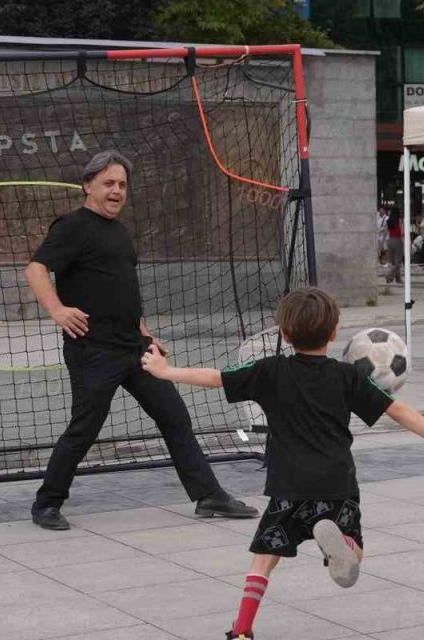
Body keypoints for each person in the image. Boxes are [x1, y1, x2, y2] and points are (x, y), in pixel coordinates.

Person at [138, 287, 424, 640]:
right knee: (354, 549)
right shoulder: (349, 376)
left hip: (289, 487)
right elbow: (398, 410)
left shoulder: (270, 371)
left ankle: (242, 630)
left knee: (264, 559)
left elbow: (215, 377)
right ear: (333, 333)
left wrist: (165, 371)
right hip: (337, 485)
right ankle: (345, 548)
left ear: (284, 333)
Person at [24, 150, 258, 530]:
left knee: (175, 416)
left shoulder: (120, 233)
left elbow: (121, 292)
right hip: (93, 351)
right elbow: (35, 269)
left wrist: (145, 333)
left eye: (122, 185)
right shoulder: (71, 226)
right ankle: (46, 503)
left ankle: (208, 496)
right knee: (85, 428)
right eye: (108, 183)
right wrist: (57, 310)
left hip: (134, 350)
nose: (116, 191)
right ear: (88, 186)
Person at [385, 208, 404, 284]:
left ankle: (398, 279)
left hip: (390, 240)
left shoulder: (388, 221)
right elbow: (402, 232)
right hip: (398, 240)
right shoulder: (399, 220)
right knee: (398, 261)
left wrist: (383, 242)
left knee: (393, 262)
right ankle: (389, 275)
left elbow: (385, 232)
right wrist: (405, 241)